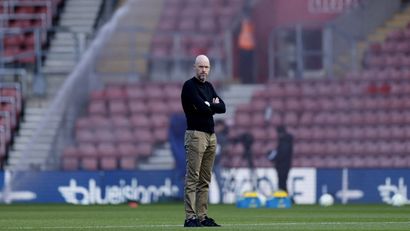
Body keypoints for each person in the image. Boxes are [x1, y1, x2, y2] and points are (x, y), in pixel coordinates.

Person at [180, 54, 226, 227]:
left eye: (206, 67)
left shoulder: (209, 86)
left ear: (209, 69)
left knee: (205, 179)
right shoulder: (189, 86)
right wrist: (209, 105)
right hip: (195, 135)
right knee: (193, 177)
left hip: (211, 135)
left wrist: (209, 105)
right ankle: (190, 217)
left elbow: (222, 107)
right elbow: (201, 107)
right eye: (200, 67)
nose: (203, 70)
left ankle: (202, 216)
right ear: (195, 67)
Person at [268, 125, 294, 193]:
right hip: (284, 165)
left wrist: (273, 158)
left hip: (283, 166)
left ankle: (285, 198)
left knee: (282, 183)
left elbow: (282, 154)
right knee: (282, 183)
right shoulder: (286, 141)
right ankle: (284, 198)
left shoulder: (285, 142)